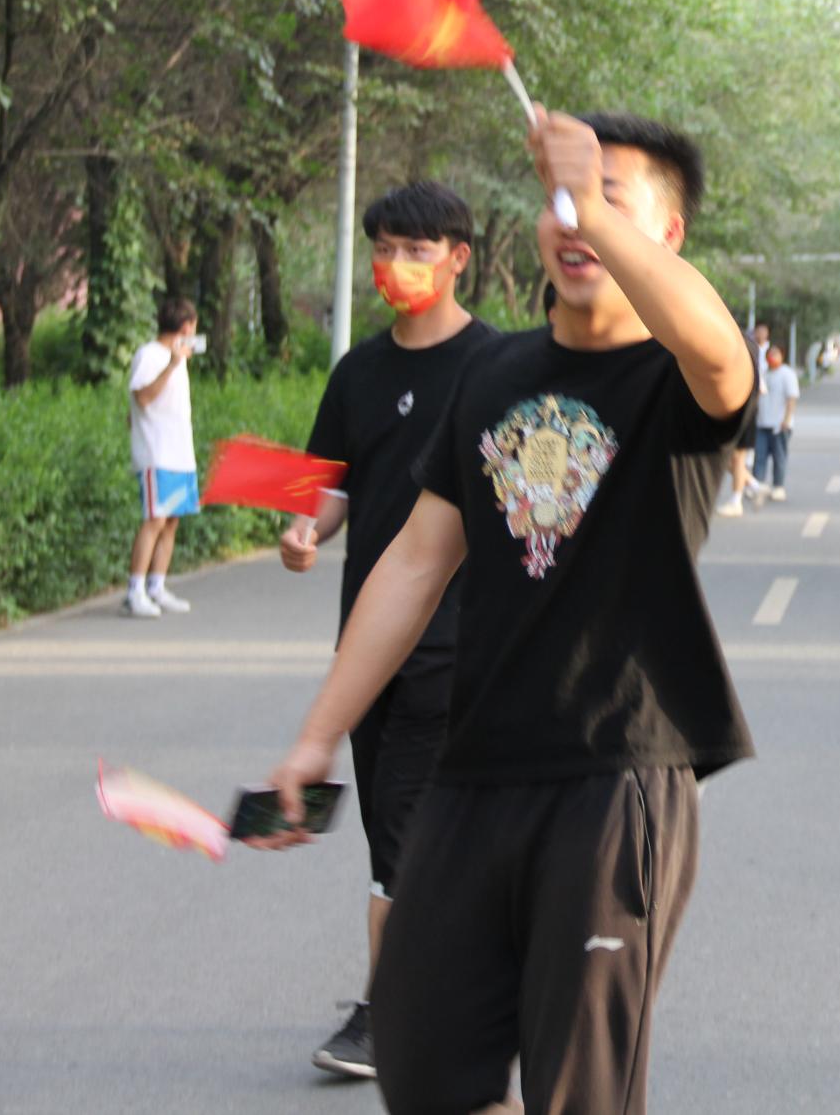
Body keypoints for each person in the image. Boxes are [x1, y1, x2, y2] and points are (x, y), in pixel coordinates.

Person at [252, 109, 756, 1115]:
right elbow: (413, 563)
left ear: (667, 234)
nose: (574, 217)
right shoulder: (491, 373)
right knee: (421, 1063)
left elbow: (717, 348)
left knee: (578, 1091)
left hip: (615, 775)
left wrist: (589, 206)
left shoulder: (676, 376)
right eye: (561, 195)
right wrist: (316, 735)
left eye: (608, 198)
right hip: (473, 772)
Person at [278, 181, 499, 1081]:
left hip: (460, 640)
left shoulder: (496, 366)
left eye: (417, 248)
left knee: (405, 831)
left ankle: (388, 1014)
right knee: (399, 828)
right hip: (367, 643)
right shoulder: (357, 373)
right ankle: (446, 991)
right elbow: (326, 484)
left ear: (458, 258)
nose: (396, 264)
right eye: (384, 248)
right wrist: (305, 528)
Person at [123, 297, 201, 618]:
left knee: (171, 521)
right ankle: (135, 591)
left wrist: (177, 362)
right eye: (194, 326)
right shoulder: (150, 354)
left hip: (180, 453)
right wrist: (171, 365)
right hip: (157, 454)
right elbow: (142, 397)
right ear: (186, 326)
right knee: (155, 519)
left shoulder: (179, 358)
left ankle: (156, 585)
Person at [716, 320, 770, 517]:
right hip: (743, 411)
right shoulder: (749, 354)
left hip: (743, 411)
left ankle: (737, 500)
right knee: (729, 457)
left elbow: (760, 388)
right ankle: (753, 485)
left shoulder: (744, 357)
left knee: (738, 458)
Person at [754, 343, 800, 502]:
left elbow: (792, 398)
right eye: (770, 353)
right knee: (759, 457)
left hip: (779, 425)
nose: (772, 356)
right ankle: (757, 485)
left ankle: (778, 486)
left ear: (782, 355)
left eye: (776, 353)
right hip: (762, 423)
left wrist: (786, 420)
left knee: (779, 457)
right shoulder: (763, 373)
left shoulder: (787, 374)